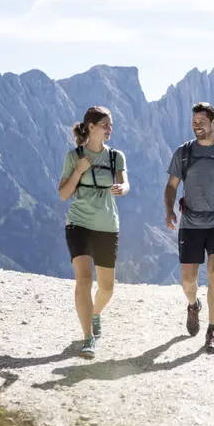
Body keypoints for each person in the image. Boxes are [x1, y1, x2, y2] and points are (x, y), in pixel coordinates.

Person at [164, 102, 214, 354]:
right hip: (190, 225)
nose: (196, 126)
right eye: (194, 122)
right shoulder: (184, 152)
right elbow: (171, 186)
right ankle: (193, 305)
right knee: (189, 281)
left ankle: (212, 330)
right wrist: (169, 210)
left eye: (201, 122)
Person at [58, 105, 129, 358]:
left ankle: (95, 314)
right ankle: (87, 338)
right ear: (91, 127)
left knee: (107, 288)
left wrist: (122, 188)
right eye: (105, 125)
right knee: (84, 279)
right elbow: (64, 194)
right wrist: (78, 170)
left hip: (107, 225)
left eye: (111, 125)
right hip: (79, 223)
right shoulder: (74, 157)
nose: (110, 129)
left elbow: (125, 182)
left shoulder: (116, 157)